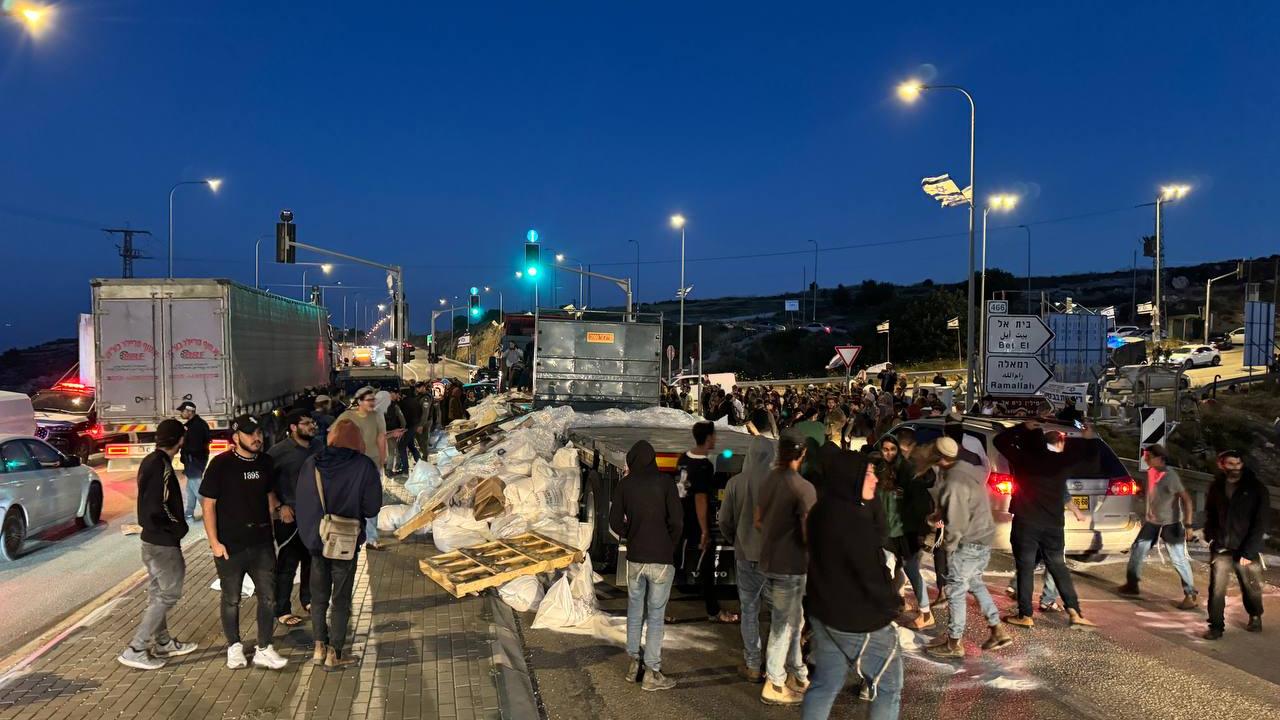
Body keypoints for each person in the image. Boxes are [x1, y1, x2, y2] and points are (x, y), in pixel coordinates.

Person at [803, 450, 902, 720]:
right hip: (858, 619)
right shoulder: (853, 522)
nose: (875, 481)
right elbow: (870, 575)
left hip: (824, 612)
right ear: (852, 478)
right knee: (889, 686)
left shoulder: (821, 511)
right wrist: (892, 603)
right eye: (868, 474)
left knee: (825, 684)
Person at [200, 415, 289, 670]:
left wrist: (279, 510)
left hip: (261, 542)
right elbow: (208, 505)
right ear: (236, 437)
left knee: (268, 598)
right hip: (230, 545)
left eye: (259, 432)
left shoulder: (266, 462)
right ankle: (234, 647)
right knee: (231, 599)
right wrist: (214, 542)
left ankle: (264, 647)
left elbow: (269, 495)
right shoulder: (221, 465)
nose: (256, 438)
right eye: (250, 433)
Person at [295, 418, 383, 669]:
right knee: (341, 599)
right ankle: (335, 653)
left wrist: (312, 535)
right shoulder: (363, 465)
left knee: (319, 596)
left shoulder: (312, 462)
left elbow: (302, 502)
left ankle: (318, 647)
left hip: (316, 541)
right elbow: (372, 507)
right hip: (345, 541)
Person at [994, 423, 1098, 629]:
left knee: (1025, 568)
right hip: (1053, 525)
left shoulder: (1023, 459)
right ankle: (1074, 612)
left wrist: (1022, 427)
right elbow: (1090, 459)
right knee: (1058, 567)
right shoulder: (1061, 461)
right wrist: (1089, 438)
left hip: (1026, 522)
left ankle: (1025, 615)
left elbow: (1000, 441)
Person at [118, 419, 198, 670]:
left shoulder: (152, 461)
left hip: (152, 541)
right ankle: (137, 648)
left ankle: (163, 642)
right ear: (180, 440)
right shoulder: (161, 465)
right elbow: (158, 505)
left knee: (158, 594)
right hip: (163, 542)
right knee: (168, 594)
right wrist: (178, 526)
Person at [925, 437, 1012, 658]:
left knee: (955, 590)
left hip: (968, 541)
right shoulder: (967, 470)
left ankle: (954, 643)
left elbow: (957, 520)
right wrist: (940, 513)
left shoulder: (954, 481)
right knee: (975, 582)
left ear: (939, 457)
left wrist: (949, 546)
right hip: (983, 537)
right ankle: (996, 630)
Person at [609, 440, 683, 691]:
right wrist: (668, 544)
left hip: (635, 558)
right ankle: (652, 671)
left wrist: (630, 533)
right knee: (656, 615)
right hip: (661, 559)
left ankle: (633, 662)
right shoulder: (665, 483)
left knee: (634, 610)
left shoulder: (625, 485)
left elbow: (615, 522)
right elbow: (677, 521)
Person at [754, 435, 817, 705]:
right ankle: (775, 682)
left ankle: (797, 673)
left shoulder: (768, 482)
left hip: (769, 561)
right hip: (791, 564)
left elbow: (758, 521)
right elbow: (808, 532)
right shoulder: (803, 488)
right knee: (783, 625)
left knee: (793, 621)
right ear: (801, 456)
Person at [717, 436, 775, 683]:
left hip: (745, 554)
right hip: (773, 559)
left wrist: (735, 539)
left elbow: (724, 521)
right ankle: (774, 666)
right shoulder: (778, 484)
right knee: (777, 613)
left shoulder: (735, 483)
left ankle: (752, 664)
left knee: (749, 610)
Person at [1118, 444, 1198, 610]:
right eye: (1145, 456)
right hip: (1153, 522)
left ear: (1159, 458)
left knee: (1178, 559)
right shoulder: (1151, 472)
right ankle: (1132, 584)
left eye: (1148, 456)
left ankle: (1191, 594)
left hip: (1171, 524)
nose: (1145, 459)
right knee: (1138, 549)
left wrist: (1188, 526)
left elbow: (1187, 500)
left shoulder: (1171, 477)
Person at [1202, 450, 1269, 639]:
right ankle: (1215, 626)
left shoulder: (1255, 488)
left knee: (1250, 587)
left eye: (1238, 464)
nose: (1235, 468)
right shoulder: (1217, 486)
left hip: (1246, 547)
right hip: (1221, 546)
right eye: (1230, 464)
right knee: (1216, 589)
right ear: (1222, 465)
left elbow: (1261, 522)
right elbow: (1211, 513)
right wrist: (1211, 536)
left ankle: (1255, 615)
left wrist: (1249, 552)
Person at [676, 421, 736, 624]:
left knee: (675, 563)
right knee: (707, 566)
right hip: (696, 522)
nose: (716, 439)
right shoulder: (704, 466)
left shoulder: (683, 458)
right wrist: (704, 530)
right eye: (714, 435)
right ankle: (713, 610)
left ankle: (656, 606)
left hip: (680, 517)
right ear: (708, 438)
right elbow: (700, 498)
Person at [267, 410, 317, 629]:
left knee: (311, 561)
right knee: (288, 564)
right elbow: (265, 484)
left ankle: (308, 600)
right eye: (306, 423)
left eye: (312, 423)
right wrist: (279, 506)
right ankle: (282, 610)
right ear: (294, 427)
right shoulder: (278, 452)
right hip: (289, 518)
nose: (311, 426)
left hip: (313, 515)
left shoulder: (318, 447)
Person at [878, 435, 933, 630]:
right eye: (885, 449)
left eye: (893, 449)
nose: (889, 453)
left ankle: (926, 613)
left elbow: (918, 502)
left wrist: (920, 530)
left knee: (911, 570)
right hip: (886, 530)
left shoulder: (906, 471)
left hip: (905, 531)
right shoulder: (880, 470)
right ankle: (897, 602)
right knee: (888, 568)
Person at [336, 386, 387, 550]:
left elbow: (381, 438)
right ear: (359, 401)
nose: (373, 403)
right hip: (352, 466)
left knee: (372, 501)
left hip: (371, 464)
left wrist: (382, 461)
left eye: (374, 399)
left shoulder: (377, 417)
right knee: (353, 500)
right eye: (369, 400)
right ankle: (352, 535)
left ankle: (371, 538)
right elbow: (333, 436)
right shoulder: (347, 416)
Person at [177, 401, 211, 522]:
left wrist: (183, 448)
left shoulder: (195, 426)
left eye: (183, 411)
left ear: (190, 411)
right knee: (190, 489)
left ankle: (209, 515)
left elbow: (195, 446)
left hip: (194, 460)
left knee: (197, 489)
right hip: (194, 460)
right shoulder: (195, 424)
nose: (181, 413)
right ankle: (189, 515)